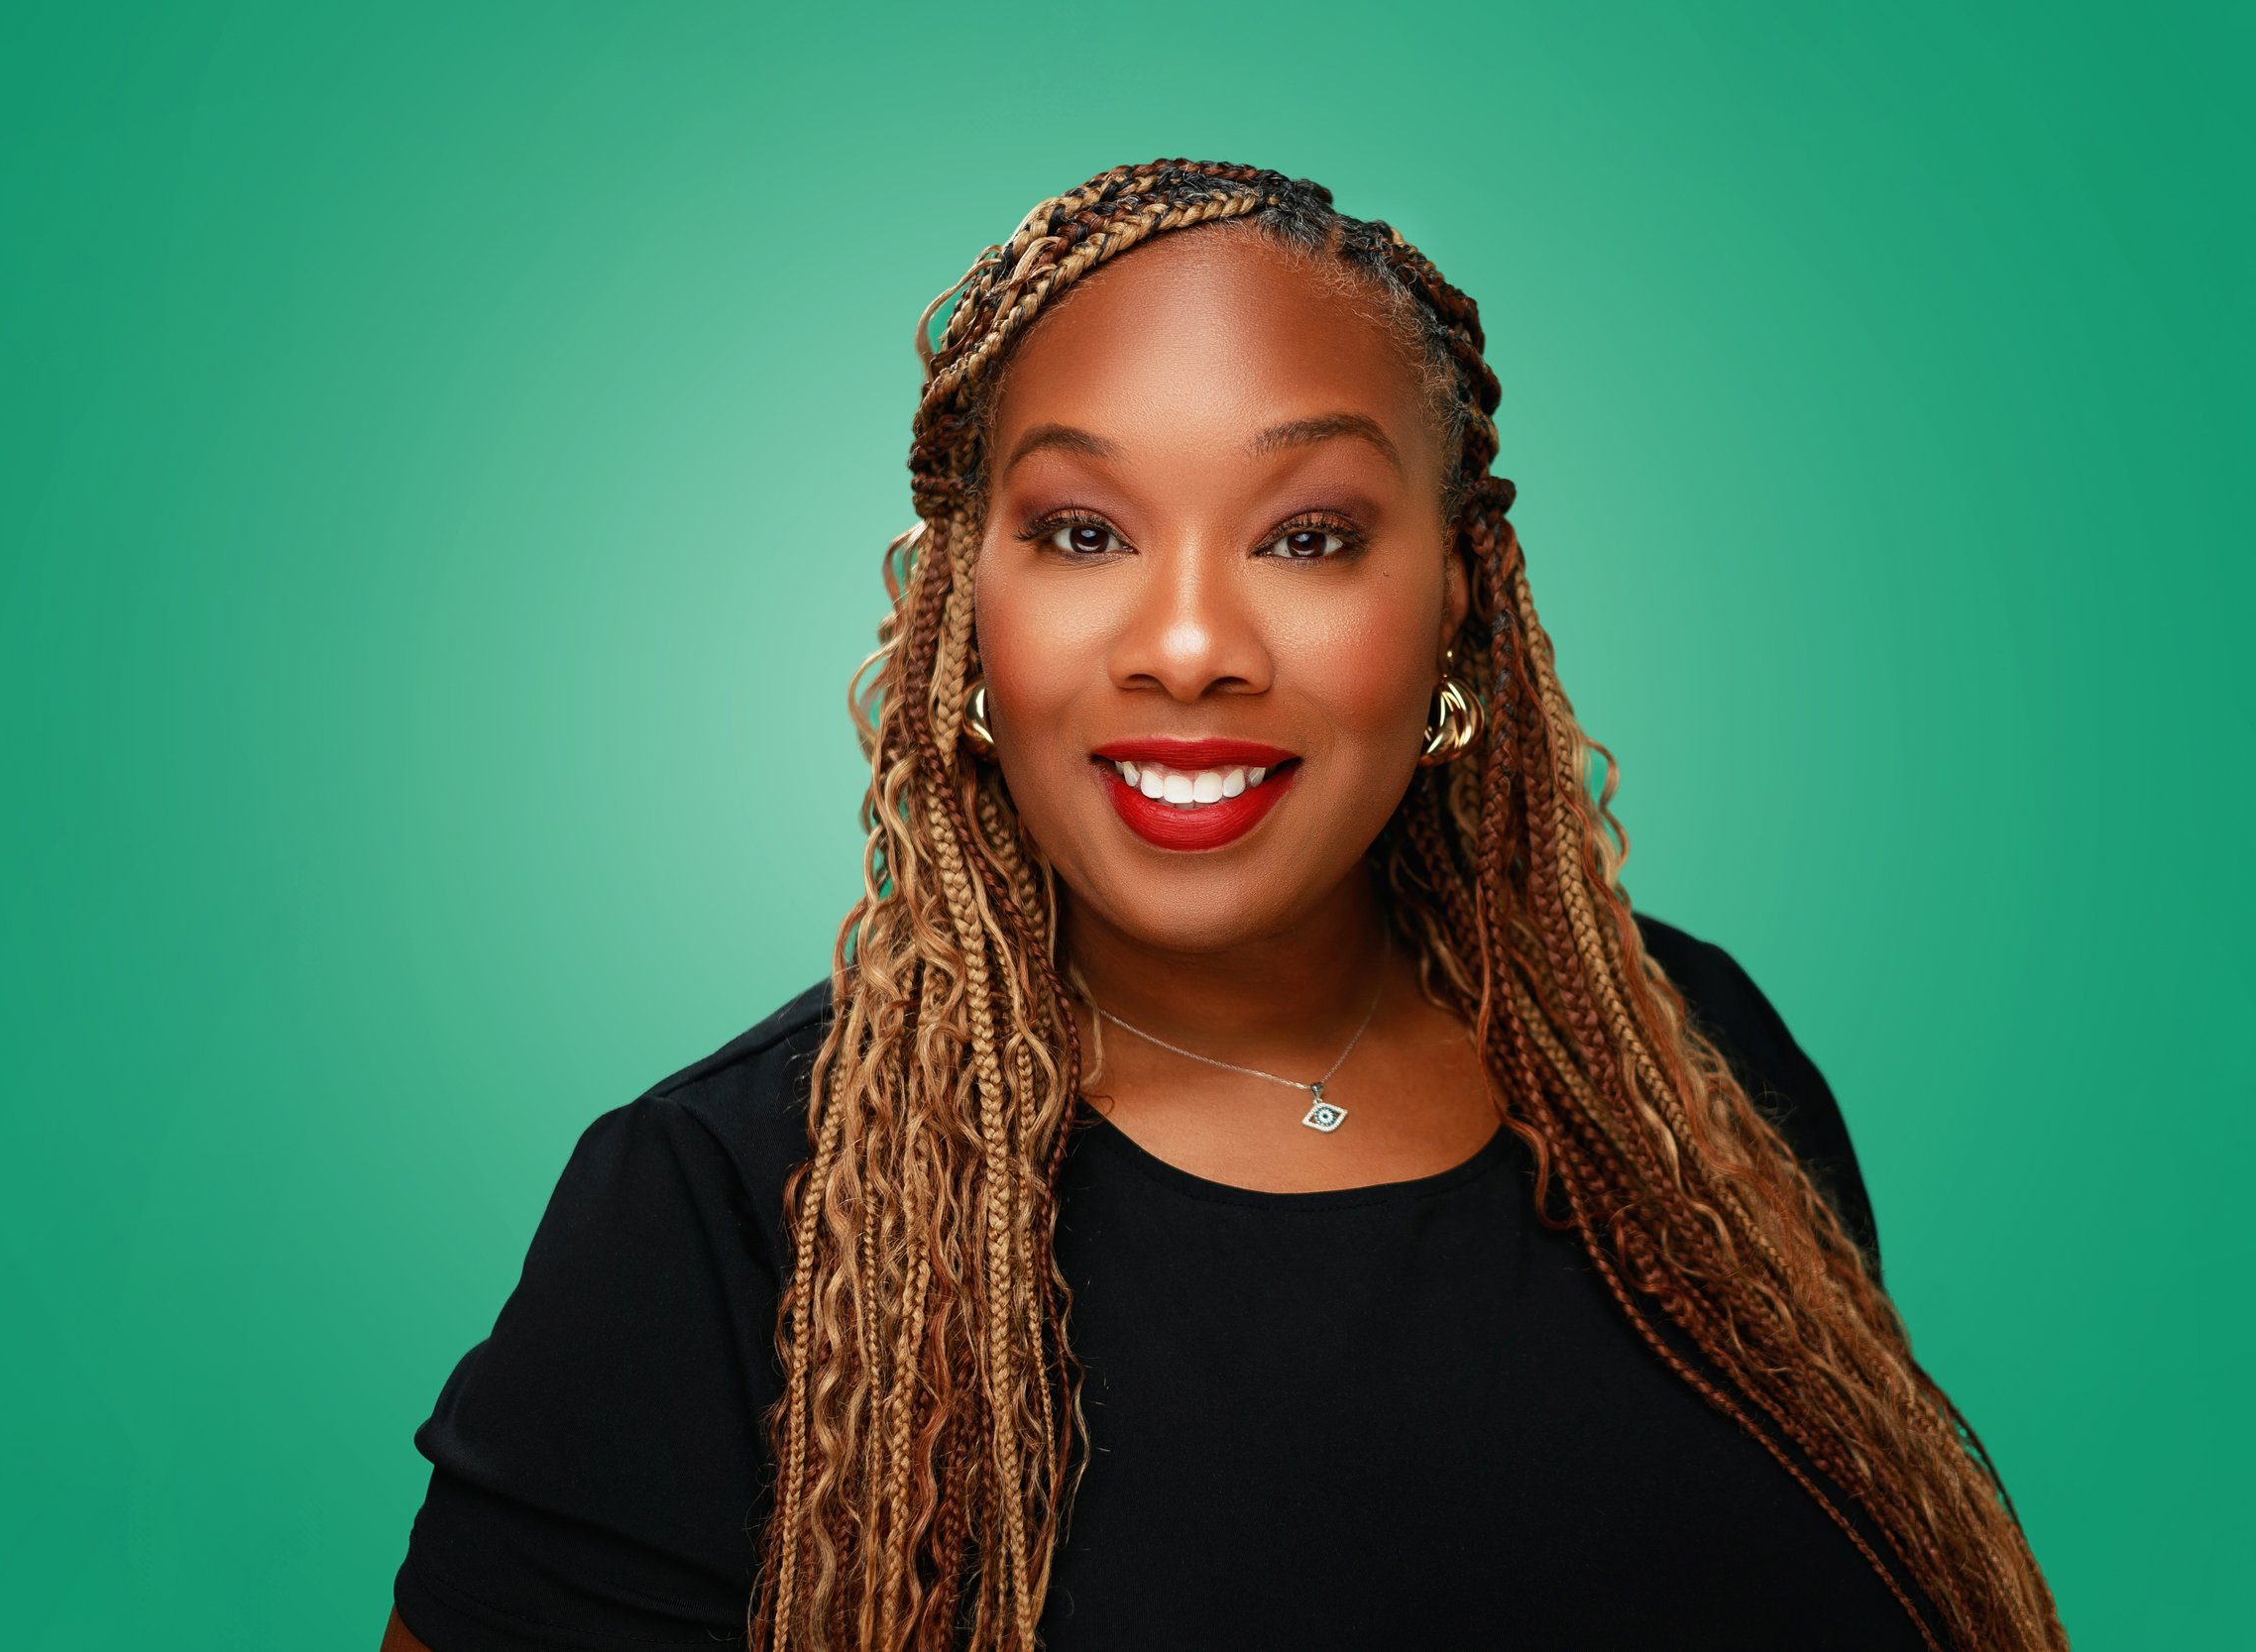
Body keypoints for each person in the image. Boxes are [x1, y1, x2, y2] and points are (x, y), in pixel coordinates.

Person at [383, 160, 2063, 1652]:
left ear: (1459, 605)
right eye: (1087, 531)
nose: (1188, 643)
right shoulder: (716, 1215)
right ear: (970, 611)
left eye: (1312, 536)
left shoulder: (1690, 1066)